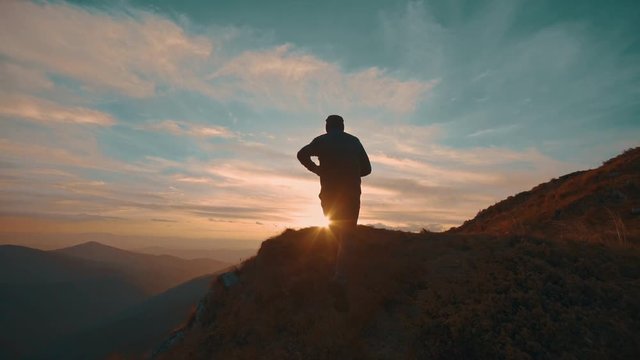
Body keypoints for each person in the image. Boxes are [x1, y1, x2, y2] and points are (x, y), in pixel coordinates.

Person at [297, 114, 371, 311]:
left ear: (328, 126)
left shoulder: (321, 141)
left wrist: (317, 169)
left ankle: (338, 274)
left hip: (329, 193)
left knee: (334, 227)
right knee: (347, 232)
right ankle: (341, 272)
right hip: (351, 193)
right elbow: (368, 169)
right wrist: (353, 172)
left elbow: (301, 154)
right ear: (343, 126)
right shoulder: (354, 141)